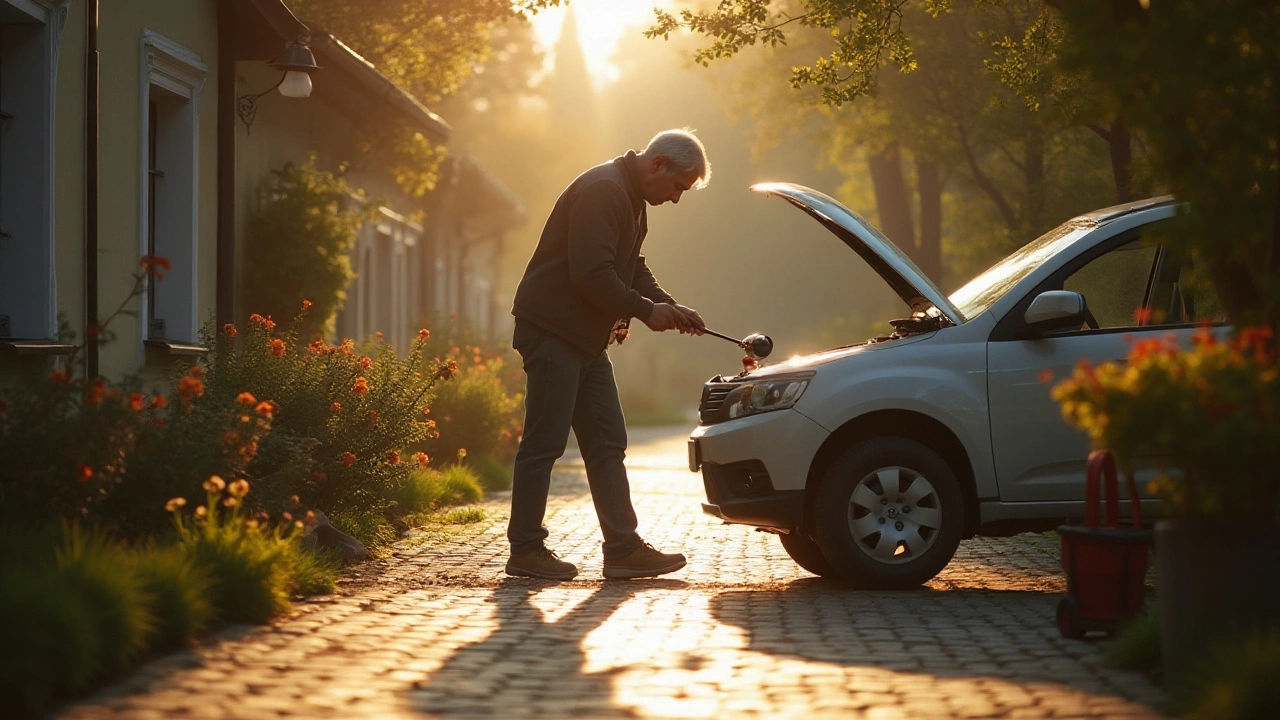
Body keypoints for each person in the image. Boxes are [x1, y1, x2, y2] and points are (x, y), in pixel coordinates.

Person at [505, 128, 711, 580]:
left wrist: (668, 306)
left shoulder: (630, 196)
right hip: (552, 332)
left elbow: (630, 265)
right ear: (658, 164)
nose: (676, 198)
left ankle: (622, 549)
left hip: (583, 339)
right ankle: (524, 550)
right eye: (678, 187)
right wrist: (644, 311)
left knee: (607, 443)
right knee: (544, 443)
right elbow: (592, 275)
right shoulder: (605, 190)